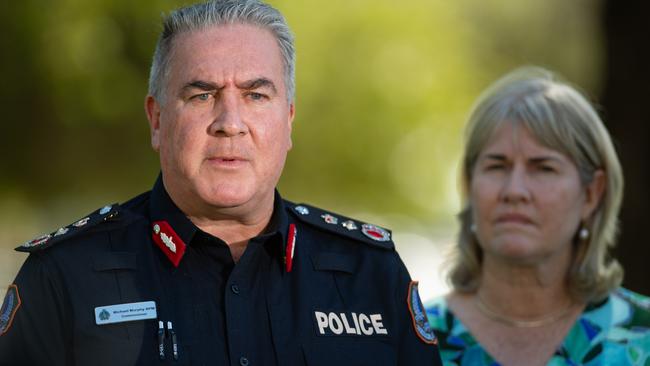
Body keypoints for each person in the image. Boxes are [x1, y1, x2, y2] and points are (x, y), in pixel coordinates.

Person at [0, 1, 442, 365]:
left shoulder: (370, 274)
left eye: (255, 95)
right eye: (202, 95)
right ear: (157, 120)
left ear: (288, 121)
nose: (230, 123)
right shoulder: (62, 276)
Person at [425, 67, 650, 365]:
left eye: (543, 168)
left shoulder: (642, 337)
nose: (515, 190)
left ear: (591, 194)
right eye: (496, 166)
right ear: (469, 185)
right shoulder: (411, 336)